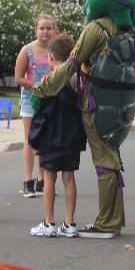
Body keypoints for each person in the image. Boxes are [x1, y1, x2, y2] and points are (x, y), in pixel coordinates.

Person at [33, 0, 135, 239]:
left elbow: (71, 62)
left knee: (105, 162)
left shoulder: (97, 28)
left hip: (95, 106)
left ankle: (106, 223)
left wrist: (44, 87)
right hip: (119, 107)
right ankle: (113, 220)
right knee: (112, 159)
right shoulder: (125, 29)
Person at [28, 34, 86, 238]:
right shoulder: (77, 79)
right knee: (69, 178)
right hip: (72, 135)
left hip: (51, 137)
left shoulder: (48, 82)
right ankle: (70, 223)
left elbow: (39, 109)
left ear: (51, 57)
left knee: (49, 179)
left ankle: (49, 222)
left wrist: (35, 139)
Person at [14, 14, 55, 198]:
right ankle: (28, 181)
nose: (45, 32)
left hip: (50, 101)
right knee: (30, 140)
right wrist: (38, 86)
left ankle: (42, 180)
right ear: (36, 30)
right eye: (42, 28)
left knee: (46, 141)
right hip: (30, 100)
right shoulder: (27, 51)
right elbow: (18, 78)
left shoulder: (56, 51)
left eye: (49, 28)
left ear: (54, 30)